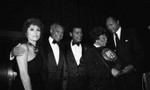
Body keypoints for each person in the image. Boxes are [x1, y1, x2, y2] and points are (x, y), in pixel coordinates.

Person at [10, 23, 66, 90]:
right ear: (51, 31)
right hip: (43, 84)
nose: (60, 34)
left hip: (56, 85)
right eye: (57, 31)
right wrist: (12, 53)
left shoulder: (64, 46)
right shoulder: (41, 44)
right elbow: (18, 65)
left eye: (62, 32)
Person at [106, 16, 144, 90]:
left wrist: (133, 65)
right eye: (107, 26)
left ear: (117, 22)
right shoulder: (108, 39)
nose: (109, 28)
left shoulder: (131, 32)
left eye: (111, 24)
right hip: (118, 79)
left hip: (133, 76)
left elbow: (140, 52)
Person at [11, 18, 44, 90]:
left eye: (38, 30)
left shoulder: (38, 49)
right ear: (26, 33)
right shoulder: (23, 47)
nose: (35, 32)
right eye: (32, 29)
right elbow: (24, 76)